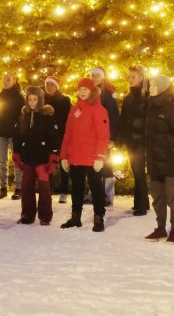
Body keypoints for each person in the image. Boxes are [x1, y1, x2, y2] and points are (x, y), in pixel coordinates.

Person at [144, 74, 174, 243]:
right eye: (150, 85)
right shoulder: (150, 109)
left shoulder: (172, 110)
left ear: (163, 87)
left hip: (170, 160)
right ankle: (160, 228)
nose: (151, 89)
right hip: (154, 161)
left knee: (172, 196)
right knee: (157, 197)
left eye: (154, 86)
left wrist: (167, 141)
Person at [59, 78, 109, 232]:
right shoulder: (74, 110)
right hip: (75, 157)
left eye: (85, 89)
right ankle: (76, 217)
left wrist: (100, 157)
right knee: (76, 188)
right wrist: (64, 156)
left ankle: (98, 218)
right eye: (80, 89)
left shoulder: (99, 110)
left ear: (92, 91)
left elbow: (103, 135)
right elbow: (68, 134)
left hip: (92, 158)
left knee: (96, 188)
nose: (82, 92)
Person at [13, 86, 60, 225]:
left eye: (35, 99)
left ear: (40, 100)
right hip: (27, 157)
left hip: (42, 159)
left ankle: (45, 216)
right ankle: (27, 214)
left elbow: (55, 138)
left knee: (44, 188)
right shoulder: (23, 117)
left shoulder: (46, 118)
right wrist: (17, 153)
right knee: (27, 187)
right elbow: (17, 136)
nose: (32, 102)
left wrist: (54, 156)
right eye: (30, 99)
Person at [118, 66, 151, 216]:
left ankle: (142, 205)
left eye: (133, 77)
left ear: (141, 78)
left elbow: (149, 119)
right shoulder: (128, 97)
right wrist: (121, 139)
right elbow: (123, 120)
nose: (130, 79)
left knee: (139, 171)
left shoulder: (147, 96)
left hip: (141, 141)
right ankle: (139, 203)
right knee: (135, 171)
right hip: (131, 140)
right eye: (129, 77)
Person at [0, 72, 25, 199]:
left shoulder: (19, 97)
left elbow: (22, 117)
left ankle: (18, 188)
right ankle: (3, 188)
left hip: (15, 134)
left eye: (8, 79)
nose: (5, 81)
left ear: (15, 81)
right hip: (1, 133)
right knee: (2, 161)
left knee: (16, 161)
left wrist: (19, 131)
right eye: (4, 79)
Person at [90, 67, 120, 206]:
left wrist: (111, 137)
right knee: (92, 164)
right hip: (91, 135)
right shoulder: (89, 93)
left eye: (97, 75)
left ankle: (108, 195)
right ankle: (94, 193)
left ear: (102, 77)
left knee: (106, 164)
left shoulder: (107, 94)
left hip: (104, 135)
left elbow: (114, 116)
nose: (94, 78)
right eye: (92, 75)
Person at [43, 75, 72, 204]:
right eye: (47, 85)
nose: (49, 87)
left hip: (61, 135)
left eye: (52, 84)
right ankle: (47, 188)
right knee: (46, 162)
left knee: (63, 163)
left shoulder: (65, 100)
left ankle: (64, 190)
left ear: (57, 86)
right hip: (46, 136)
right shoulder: (41, 99)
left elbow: (68, 119)